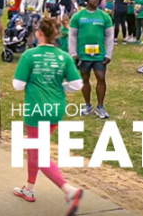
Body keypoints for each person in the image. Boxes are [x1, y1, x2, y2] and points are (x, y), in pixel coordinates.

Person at [11, 18, 85, 215]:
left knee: (39, 153)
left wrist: (32, 82)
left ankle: (69, 190)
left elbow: (17, 85)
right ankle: (29, 188)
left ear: (39, 33)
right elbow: (78, 85)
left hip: (36, 109)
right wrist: (60, 85)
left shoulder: (29, 55)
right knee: (36, 150)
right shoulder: (64, 57)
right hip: (57, 109)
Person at [69, 0, 114, 119]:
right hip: (83, 54)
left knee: (101, 77)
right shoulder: (78, 16)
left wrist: (109, 54)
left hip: (99, 54)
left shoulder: (105, 16)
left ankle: (100, 106)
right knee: (85, 78)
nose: (97, 1)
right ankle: (87, 105)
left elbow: (110, 36)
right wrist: (73, 53)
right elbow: (72, 36)